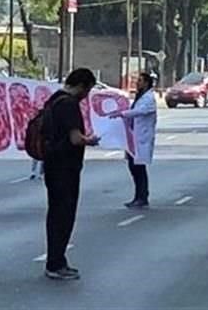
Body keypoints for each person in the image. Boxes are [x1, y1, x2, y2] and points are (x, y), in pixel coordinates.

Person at [42, 68, 100, 281]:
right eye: (88, 90)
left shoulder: (54, 100)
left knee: (54, 213)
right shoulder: (69, 105)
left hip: (51, 164)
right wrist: (90, 140)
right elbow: (75, 138)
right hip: (65, 167)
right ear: (82, 86)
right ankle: (56, 263)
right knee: (64, 215)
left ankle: (55, 260)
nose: (87, 96)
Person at [109, 72, 157, 208]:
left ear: (147, 83)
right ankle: (138, 196)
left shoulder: (149, 98)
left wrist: (122, 114)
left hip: (142, 137)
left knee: (138, 168)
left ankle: (142, 196)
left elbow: (140, 111)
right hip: (134, 136)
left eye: (140, 80)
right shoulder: (140, 96)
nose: (138, 83)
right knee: (133, 167)